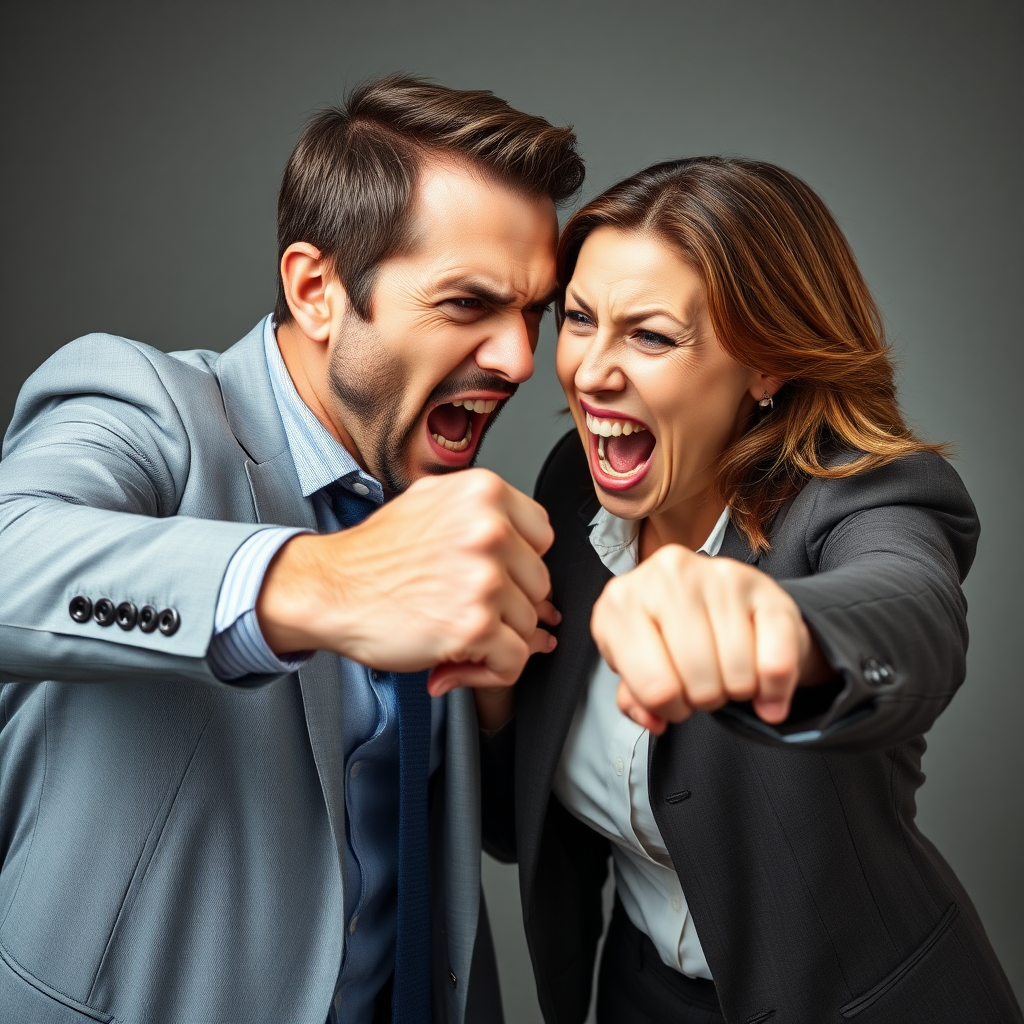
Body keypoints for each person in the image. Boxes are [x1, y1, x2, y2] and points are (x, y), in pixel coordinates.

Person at [0, 75, 583, 1024]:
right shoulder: (150, 409)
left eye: (533, 312)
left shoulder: (455, 524)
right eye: (469, 303)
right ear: (316, 290)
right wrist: (318, 578)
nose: (520, 358)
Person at [478, 157, 1023, 1023]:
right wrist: (495, 691)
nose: (589, 372)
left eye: (651, 336)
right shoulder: (571, 489)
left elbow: (911, 615)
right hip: (639, 998)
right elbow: (516, 829)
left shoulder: (870, 494)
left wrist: (778, 627)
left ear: (765, 365)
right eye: (579, 320)